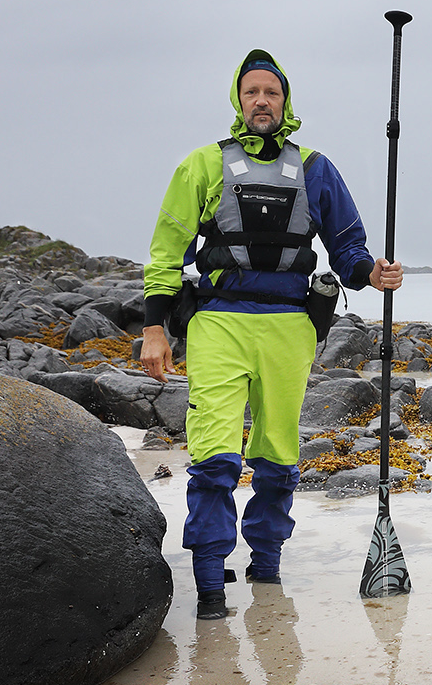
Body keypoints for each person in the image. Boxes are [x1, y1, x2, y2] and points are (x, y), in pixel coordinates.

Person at [140, 50, 404, 621]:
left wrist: (371, 275)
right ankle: (210, 580)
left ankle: (266, 570)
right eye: (252, 92)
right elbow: (166, 253)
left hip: (289, 325)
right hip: (218, 322)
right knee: (214, 453)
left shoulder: (315, 168)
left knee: (279, 453)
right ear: (238, 100)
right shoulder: (203, 166)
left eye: (273, 93)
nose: (262, 101)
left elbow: (349, 248)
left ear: (286, 102)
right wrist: (155, 327)